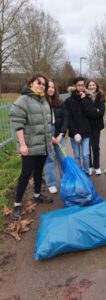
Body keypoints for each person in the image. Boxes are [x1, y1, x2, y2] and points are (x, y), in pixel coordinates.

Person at [10, 73, 52, 220]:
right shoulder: (23, 101)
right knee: (25, 174)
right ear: (30, 84)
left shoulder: (43, 101)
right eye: (38, 83)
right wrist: (22, 145)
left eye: (43, 84)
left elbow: (46, 124)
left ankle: (37, 194)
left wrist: (49, 139)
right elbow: (18, 124)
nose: (41, 86)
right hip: (29, 146)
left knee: (39, 172)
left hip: (44, 145)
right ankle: (17, 204)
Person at [65, 77, 102, 175]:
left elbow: (91, 112)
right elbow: (68, 118)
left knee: (85, 154)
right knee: (77, 156)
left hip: (86, 132)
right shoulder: (68, 101)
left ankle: (86, 172)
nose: (81, 87)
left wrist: (84, 99)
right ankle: (78, 174)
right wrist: (75, 132)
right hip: (74, 133)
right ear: (75, 86)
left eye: (82, 85)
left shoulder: (87, 98)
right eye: (79, 85)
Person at [44, 80, 68, 193]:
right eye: (48, 87)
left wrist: (61, 134)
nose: (51, 89)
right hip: (46, 134)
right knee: (49, 159)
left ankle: (65, 180)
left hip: (59, 134)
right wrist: (50, 136)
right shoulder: (41, 103)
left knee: (62, 158)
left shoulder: (60, 102)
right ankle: (51, 183)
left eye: (53, 87)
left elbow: (65, 119)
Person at [86, 79, 105, 175]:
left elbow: (101, 113)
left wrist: (93, 112)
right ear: (87, 87)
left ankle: (96, 166)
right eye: (90, 85)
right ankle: (89, 166)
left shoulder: (101, 96)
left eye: (93, 85)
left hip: (97, 126)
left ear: (96, 86)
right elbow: (86, 112)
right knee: (87, 147)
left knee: (95, 147)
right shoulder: (85, 97)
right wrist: (95, 110)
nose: (92, 87)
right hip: (87, 126)